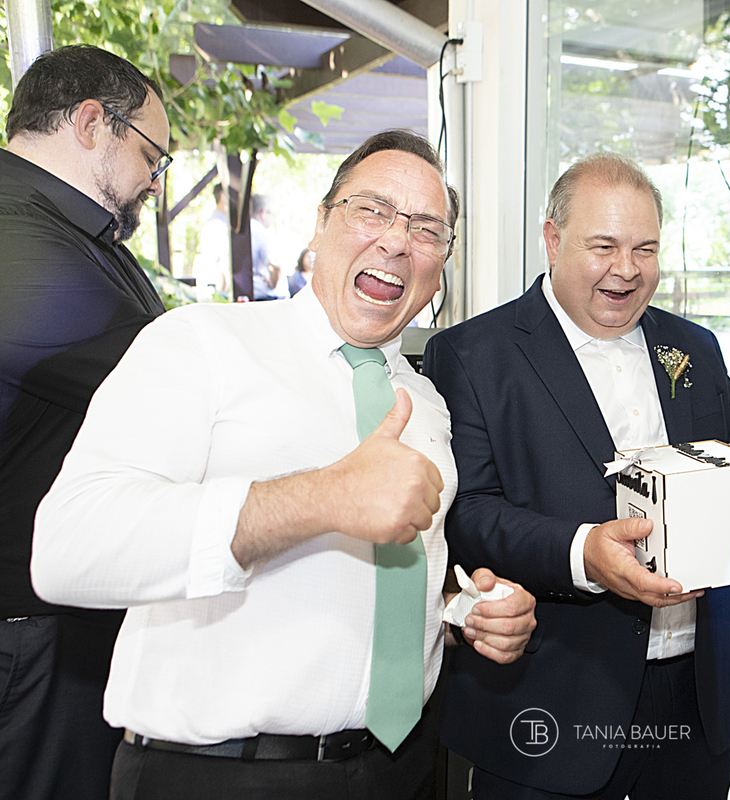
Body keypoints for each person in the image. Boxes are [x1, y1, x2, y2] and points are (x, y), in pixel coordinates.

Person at [31, 129, 536, 800]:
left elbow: (369, 585)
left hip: (402, 768)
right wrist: (322, 497)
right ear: (320, 224)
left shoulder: (426, 404)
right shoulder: (201, 343)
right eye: (373, 209)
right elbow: (68, 550)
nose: (397, 240)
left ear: (440, 265)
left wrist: (460, 611)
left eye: (427, 229)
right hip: (221, 776)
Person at [423, 153, 730, 800]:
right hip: (553, 699)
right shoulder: (474, 354)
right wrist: (584, 552)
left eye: (645, 249)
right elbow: (468, 513)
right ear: (553, 239)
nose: (627, 269)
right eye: (604, 247)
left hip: (698, 694)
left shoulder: (694, 347)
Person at [0, 44, 169, 800]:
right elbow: (157, 374)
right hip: (25, 631)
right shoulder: (13, 229)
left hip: (61, 620)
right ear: (93, 122)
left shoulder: (79, 234)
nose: (154, 183)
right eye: (152, 157)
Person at [191, 183, 230, 298]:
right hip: (219, 289)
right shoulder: (219, 225)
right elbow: (225, 261)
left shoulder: (216, 223)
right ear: (223, 197)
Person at [250, 193, 287, 300]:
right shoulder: (263, 234)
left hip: (250, 297)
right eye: (272, 214)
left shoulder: (239, 235)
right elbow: (275, 264)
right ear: (263, 213)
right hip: (269, 298)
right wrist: (272, 283)